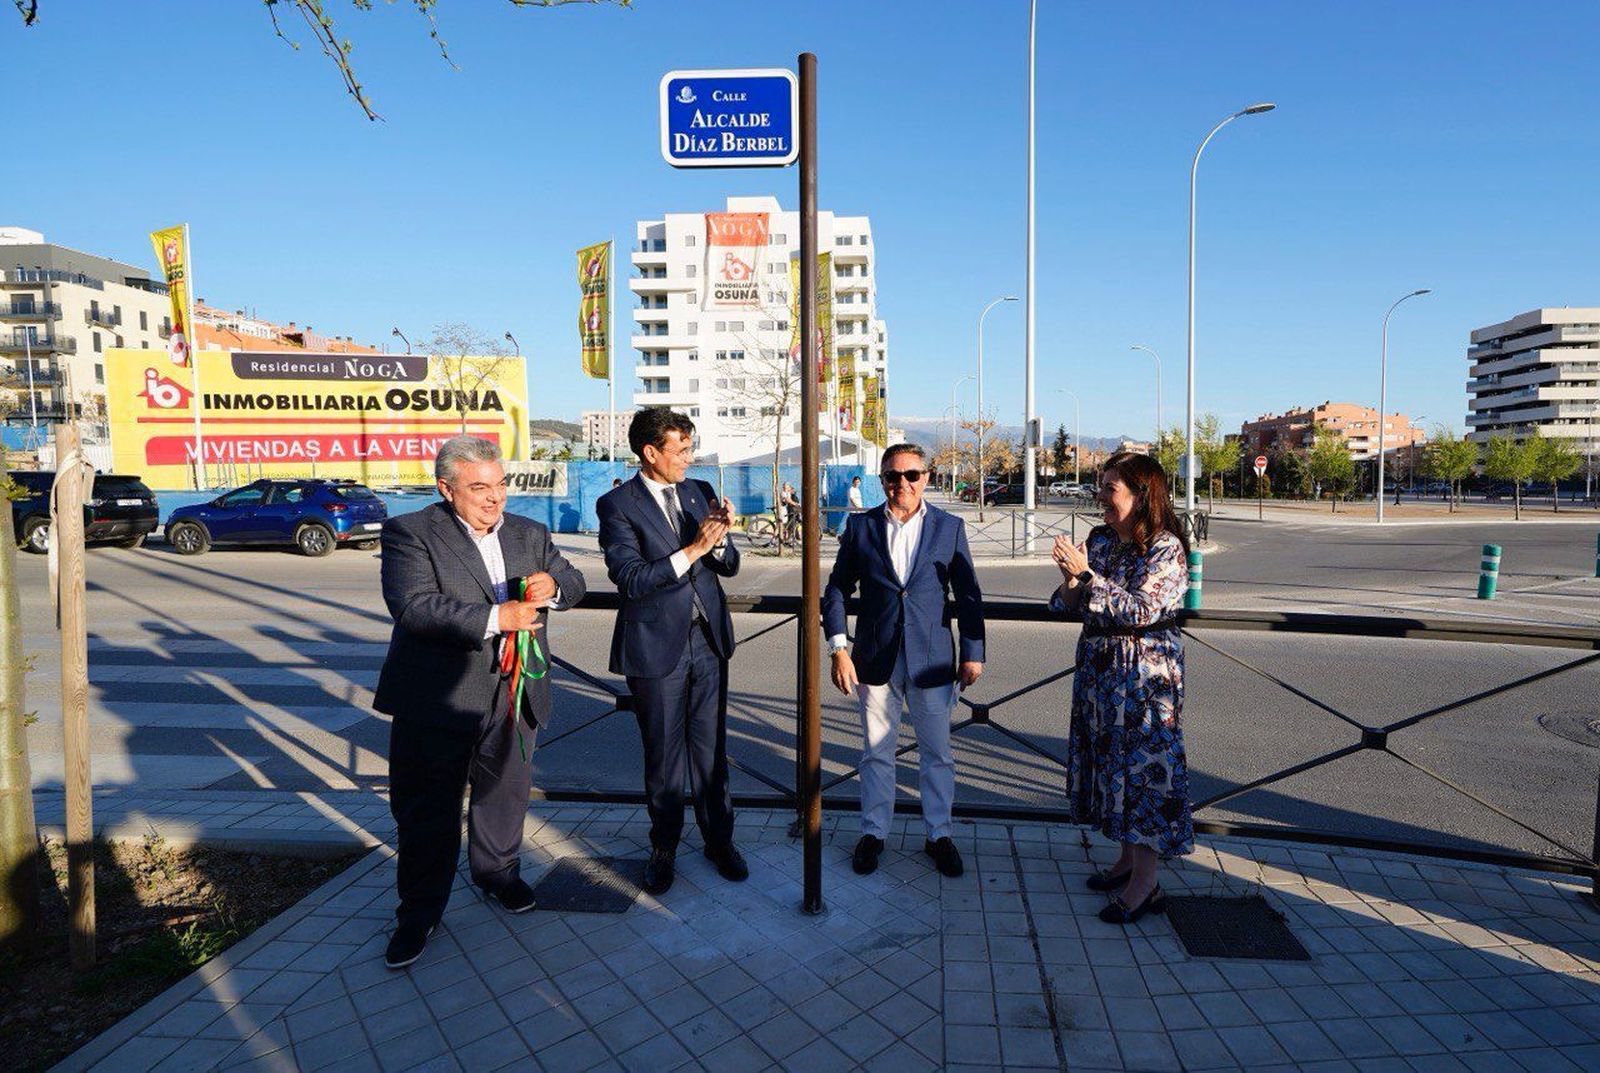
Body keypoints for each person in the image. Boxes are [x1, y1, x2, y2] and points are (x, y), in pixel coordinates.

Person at [375, 436, 587, 969]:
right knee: (429, 810)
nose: (496, 499)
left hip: (515, 690)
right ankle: (419, 913)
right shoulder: (411, 532)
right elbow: (415, 607)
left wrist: (555, 585)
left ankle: (498, 875)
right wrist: (498, 619)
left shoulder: (529, 532)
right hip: (440, 696)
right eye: (480, 489)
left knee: (504, 793)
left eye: (501, 485)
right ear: (446, 489)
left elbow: (576, 581)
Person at [597, 407, 746, 896]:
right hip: (655, 647)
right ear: (651, 452)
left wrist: (721, 542)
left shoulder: (697, 491)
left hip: (708, 642)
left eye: (690, 447)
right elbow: (632, 578)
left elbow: (728, 565)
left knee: (711, 753)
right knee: (663, 756)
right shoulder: (616, 505)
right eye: (680, 450)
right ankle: (664, 847)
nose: (689, 457)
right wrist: (696, 549)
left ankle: (718, 841)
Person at [823, 443, 984, 878]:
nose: (903, 484)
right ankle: (874, 833)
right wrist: (839, 647)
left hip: (931, 660)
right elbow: (837, 590)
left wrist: (973, 652)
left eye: (912, 475)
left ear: (927, 477)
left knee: (938, 753)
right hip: (874, 658)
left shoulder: (949, 527)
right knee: (877, 752)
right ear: (882, 480)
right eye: (893, 476)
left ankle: (939, 835)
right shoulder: (861, 528)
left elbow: (968, 594)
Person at [1050, 451, 1193, 926]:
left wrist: (1089, 578)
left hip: (1145, 678)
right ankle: (1128, 862)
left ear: (1141, 495)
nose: (1102, 496)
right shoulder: (1102, 539)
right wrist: (1072, 579)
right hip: (1101, 670)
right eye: (1103, 485)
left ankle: (1146, 885)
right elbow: (1070, 605)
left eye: (1111, 488)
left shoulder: (1165, 548)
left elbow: (1141, 610)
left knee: (1144, 770)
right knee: (1112, 764)